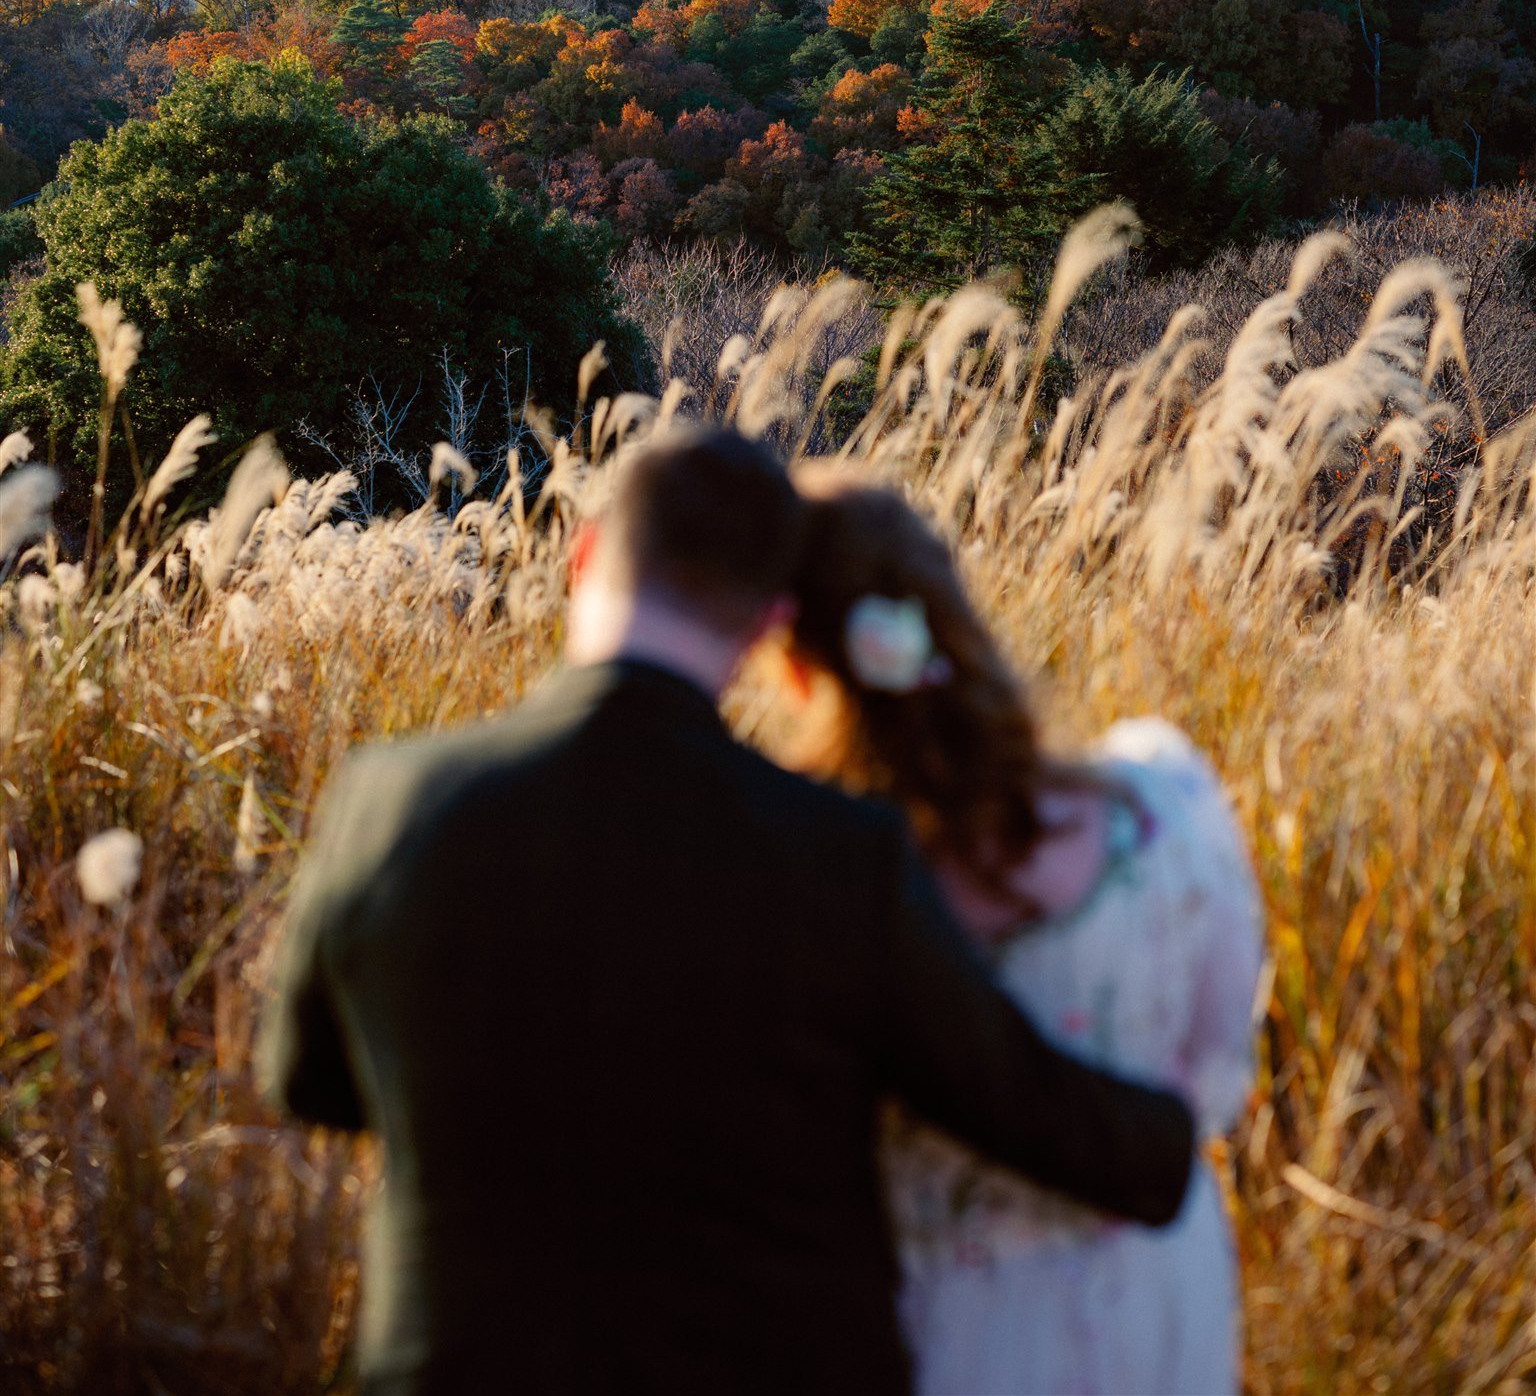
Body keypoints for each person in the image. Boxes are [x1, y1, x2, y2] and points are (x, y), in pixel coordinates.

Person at [259, 426, 1194, 1396]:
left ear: (583, 555)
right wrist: (1179, 1126)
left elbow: (307, 1078)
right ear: (767, 627)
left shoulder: (387, 798)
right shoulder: (840, 856)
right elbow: (1026, 1105)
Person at [785, 468, 1265, 1396]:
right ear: (956, 613)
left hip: (949, 1330)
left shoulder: (818, 881)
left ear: (799, 668)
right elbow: (1218, 1074)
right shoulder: (1162, 809)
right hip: (1155, 1292)